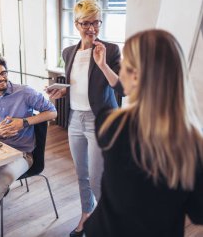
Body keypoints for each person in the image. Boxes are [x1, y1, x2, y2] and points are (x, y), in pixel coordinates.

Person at [84, 29, 203, 237]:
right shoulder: (193, 144)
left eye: (124, 66)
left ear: (136, 76)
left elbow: (122, 89)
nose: (120, 72)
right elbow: (199, 213)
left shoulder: (110, 125)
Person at [46, 0, 122, 237]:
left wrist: (102, 64)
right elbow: (78, 84)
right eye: (86, 23)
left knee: (98, 180)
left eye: (96, 22)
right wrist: (62, 90)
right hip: (75, 120)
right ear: (76, 24)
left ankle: (110, 224)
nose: (91, 28)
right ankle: (86, 215)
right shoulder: (68, 52)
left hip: (99, 121)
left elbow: (122, 88)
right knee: (81, 175)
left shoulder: (109, 50)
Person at [0, 56, 57, 234]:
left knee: (2, 179)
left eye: (3, 73)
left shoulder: (25, 92)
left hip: (22, 153)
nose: (1, 78)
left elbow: (52, 112)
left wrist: (24, 122)